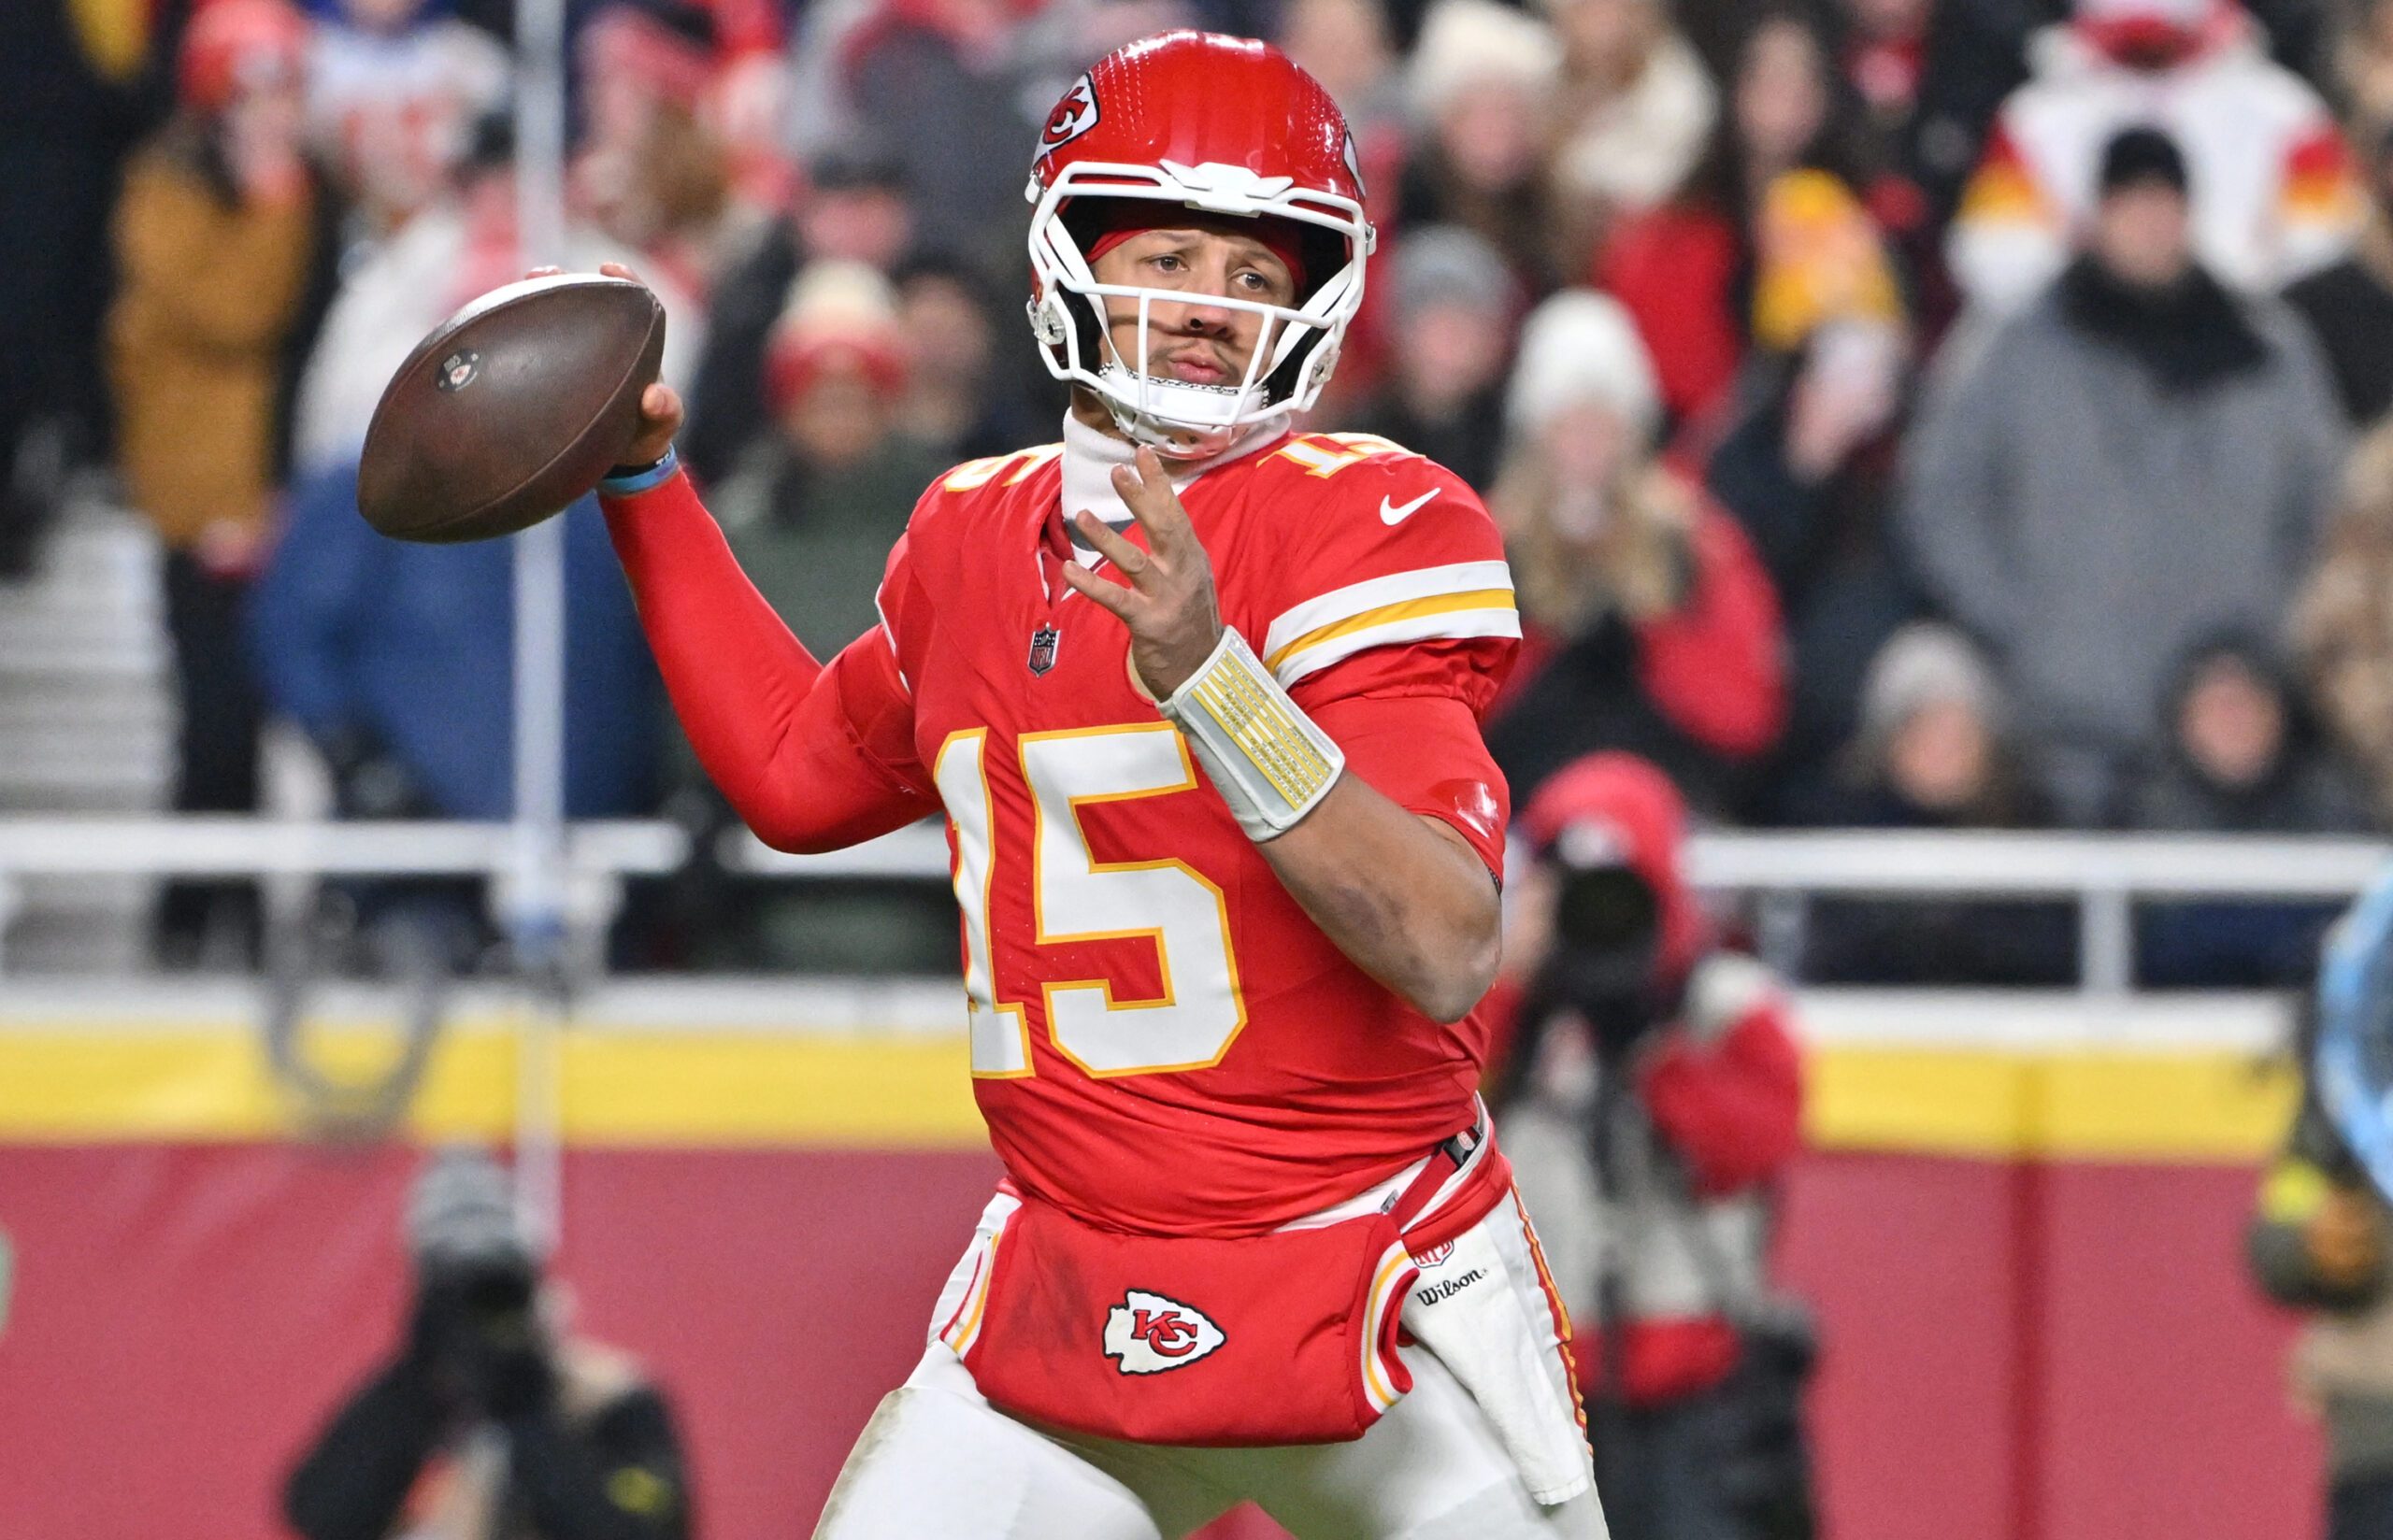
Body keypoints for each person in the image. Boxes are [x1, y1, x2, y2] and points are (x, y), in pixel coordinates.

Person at [581, 30, 1604, 1538]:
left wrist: (1210, 673)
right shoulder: (974, 534)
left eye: (1254, 273)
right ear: (1069, 253)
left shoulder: (1371, 524)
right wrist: (645, 488)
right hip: (1075, 1287)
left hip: (1373, 1281)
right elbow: (798, 776)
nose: (1206, 304)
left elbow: (1445, 936)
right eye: (1170, 251)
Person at [1899, 123, 2344, 823]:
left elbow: (2325, 505)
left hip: (2228, 731)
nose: (2149, 224)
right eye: (2131, 204)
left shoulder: (2266, 349)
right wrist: (2024, 628)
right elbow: (1941, 495)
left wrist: (2266, 635)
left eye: (2164, 205)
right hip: (2059, 727)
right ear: (2097, 215)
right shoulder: (2014, 346)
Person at [1491, 753, 1810, 1540]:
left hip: (1696, 1405)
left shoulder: (1725, 1006)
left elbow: (1751, 1152)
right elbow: (1425, 1115)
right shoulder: (1509, 1015)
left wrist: (1650, 1039)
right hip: (1537, 1394)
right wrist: (1506, 984)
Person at [107, 0, 338, 969]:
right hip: (204, 501)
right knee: (212, 717)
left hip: (290, 495)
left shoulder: (311, 189)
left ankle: (231, 914)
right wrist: (276, 201)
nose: (277, 110)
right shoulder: (168, 185)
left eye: (288, 87)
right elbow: (234, 311)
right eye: (258, 88)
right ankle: (190, 915)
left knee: (261, 720)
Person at [1483, 290, 1787, 818]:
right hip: (1519, 818)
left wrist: (1655, 622)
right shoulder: (1487, 541)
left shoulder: (1693, 538)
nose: (1584, 446)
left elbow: (1749, 714)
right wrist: (1537, 624)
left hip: (1669, 809)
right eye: (1566, 426)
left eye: (1601, 424)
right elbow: (1453, 712)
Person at [283, 1148, 691, 1540]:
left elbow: (646, 1533)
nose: (482, 1312)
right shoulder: (418, 1395)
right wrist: (418, 1376)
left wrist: (530, 1415)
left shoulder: (610, 1398)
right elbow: (322, 1516)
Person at [1944, 0, 2359, 316]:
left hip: (2239, 347)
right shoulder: (2035, 118)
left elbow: (2326, 249)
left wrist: (2222, 310)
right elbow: (1994, 254)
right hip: (2082, 345)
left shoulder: (2284, 111)